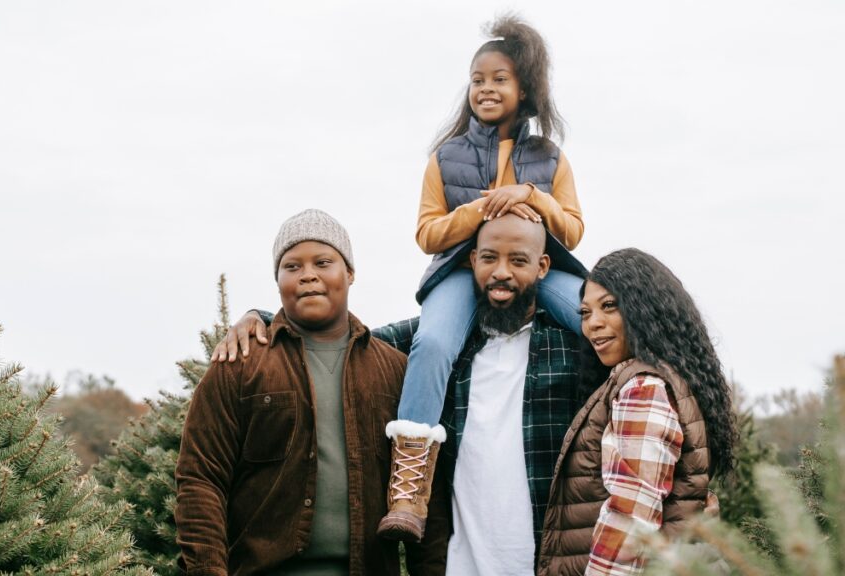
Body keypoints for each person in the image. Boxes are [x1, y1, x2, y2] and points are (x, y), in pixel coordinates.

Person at [214, 214, 586, 575]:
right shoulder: (437, 346)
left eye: (518, 261)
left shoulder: (572, 351)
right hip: (459, 565)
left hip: (546, 559)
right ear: (473, 261)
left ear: (542, 267)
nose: (501, 272)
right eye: (489, 258)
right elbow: (344, 338)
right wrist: (260, 317)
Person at [381, 14, 586, 541]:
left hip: (535, 272)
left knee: (598, 316)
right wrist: (478, 212)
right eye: (478, 80)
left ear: (525, 88)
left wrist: (531, 196)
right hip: (459, 269)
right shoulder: (444, 157)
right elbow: (428, 234)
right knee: (432, 343)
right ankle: (408, 491)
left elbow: (574, 230)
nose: (486, 88)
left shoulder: (550, 158)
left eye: (499, 79)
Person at [175, 209, 448, 576]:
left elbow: (428, 494)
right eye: (292, 267)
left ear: (349, 273)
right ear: (278, 281)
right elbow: (201, 479)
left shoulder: (394, 371)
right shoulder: (240, 364)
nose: (308, 275)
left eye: (323, 262)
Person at [537, 248, 738, 575]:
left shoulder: (642, 389)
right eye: (585, 313)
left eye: (609, 306)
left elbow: (630, 521)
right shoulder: (671, 377)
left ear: (644, 309)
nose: (593, 324)